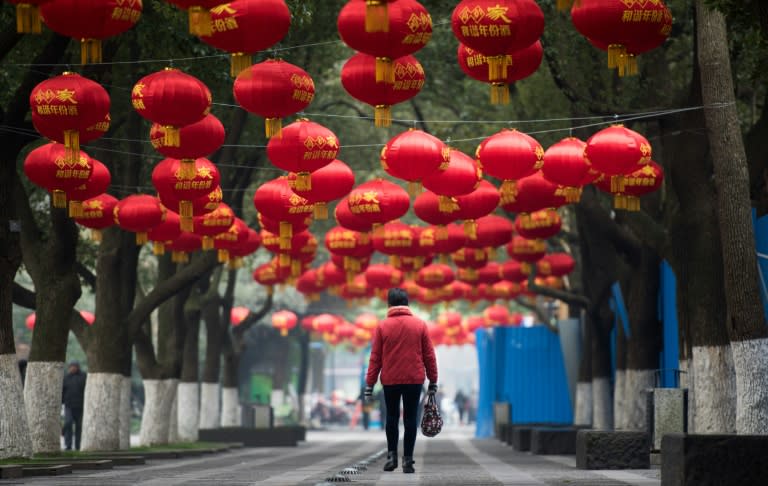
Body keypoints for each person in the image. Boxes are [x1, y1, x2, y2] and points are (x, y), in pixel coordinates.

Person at [364, 288, 438, 474]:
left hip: (390, 380)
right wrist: (433, 380)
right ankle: (408, 461)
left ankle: (391, 457)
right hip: (414, 380)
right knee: (411, 418)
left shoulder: (382, 327)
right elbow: (429, 355)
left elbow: (375, 358)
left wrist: (370, 384)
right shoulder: (420, 325)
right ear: (407, 304)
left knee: (391, 417)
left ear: (389, 304)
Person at [62, 361, 86, 450]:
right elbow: (62, 391)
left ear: (78, 367)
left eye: (74, 367)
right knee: (68, 423)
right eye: (71, 367)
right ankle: (68, 445)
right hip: (68, 405)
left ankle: (78, 446)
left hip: (80, 406)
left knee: (79, 426)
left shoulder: (84, 377)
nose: (72, 368)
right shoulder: (66, 378)